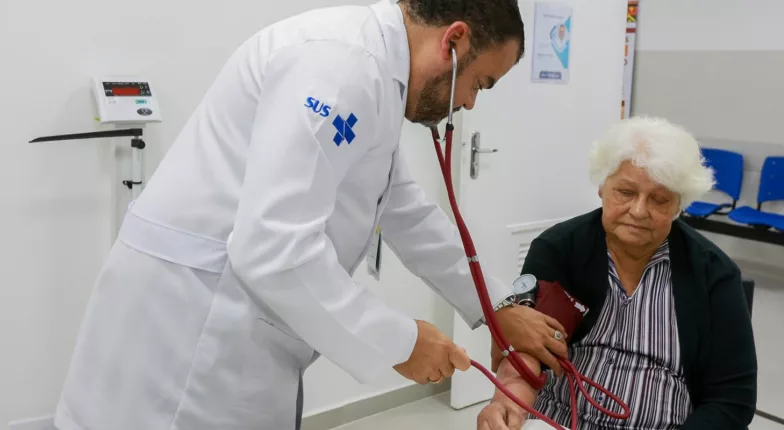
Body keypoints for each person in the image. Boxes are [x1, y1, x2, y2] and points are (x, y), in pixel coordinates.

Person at [54, 2, 571, 430]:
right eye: (479, 83)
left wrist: (495, 304)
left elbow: (403, 209)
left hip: (234, 329)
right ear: (453, 41)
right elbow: (273, 248)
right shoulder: (342, 66)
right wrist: (400, 341)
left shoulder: (375, 75)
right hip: (189, 338)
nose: (469, 104)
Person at [477, 117, 758, 430]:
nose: (639, 211)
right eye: (625, 192)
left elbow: (732, 401)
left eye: (659, 199)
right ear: (601, 187)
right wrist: (507, 403)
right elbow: (531, 348)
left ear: (680, 204)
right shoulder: (560, 249)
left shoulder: (714, 275)